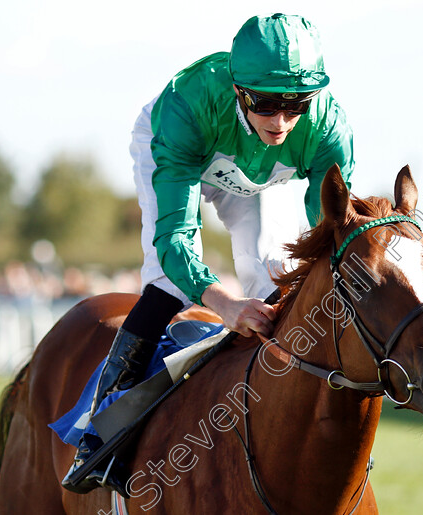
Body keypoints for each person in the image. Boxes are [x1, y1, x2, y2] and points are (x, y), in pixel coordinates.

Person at [62, 13, 354, 495]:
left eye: (296, 104)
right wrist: (226, 305)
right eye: (265, 103)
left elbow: (331, 230)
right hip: (189, 149)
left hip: (260, 174)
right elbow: (175, 241)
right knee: (170, 282)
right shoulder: (187, 106)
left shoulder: (327, 126)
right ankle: (101, 428)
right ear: (240, 90)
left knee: (271, 271)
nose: (281, 121)